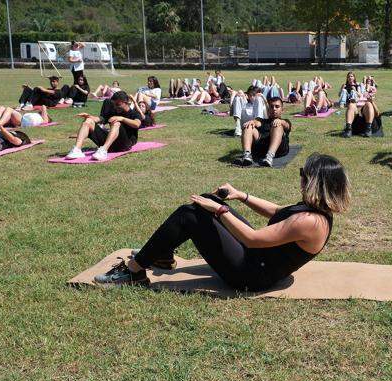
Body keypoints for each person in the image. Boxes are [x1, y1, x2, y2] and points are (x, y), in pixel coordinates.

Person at [92, 153, 350, 290]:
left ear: (316, 183)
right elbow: (277, 212)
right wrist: (241, 196)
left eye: (304, 174)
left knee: (190, 214)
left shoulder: (311, 221)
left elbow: (253, 239)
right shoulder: (313, 210)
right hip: (257, 260)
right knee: (204, 200)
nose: (301, 177)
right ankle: (161, 255)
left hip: (251, 274)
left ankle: (134, 272)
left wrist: (220, 211)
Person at [65, 91, 142, 161]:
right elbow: (99, 119)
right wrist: (89, 117)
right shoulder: (113, 112)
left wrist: (121, 118)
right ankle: (77, 150)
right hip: (111, 143)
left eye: (118, 104)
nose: (115, 107)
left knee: (116, 122)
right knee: (88, 121)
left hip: (124, 145)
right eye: (114, 104)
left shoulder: (134, 113)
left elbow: (137, 124)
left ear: (126, 102)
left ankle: (103, 150)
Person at [235, 96, 291, 167]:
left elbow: (287, 125)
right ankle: (247, 155)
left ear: (282, 109)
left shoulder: (285, 121)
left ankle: (269, 157)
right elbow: (257, 122)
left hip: (279, 150)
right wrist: (252, 122)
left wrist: (280, 121)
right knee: (248, 126)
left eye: (277, 107)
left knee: (277, 125)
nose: (274, 109)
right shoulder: (263, 121)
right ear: (268, 110)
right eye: (271, 107)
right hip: (262, 149)